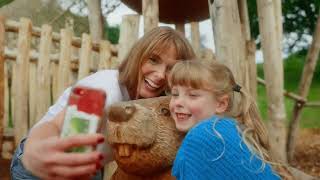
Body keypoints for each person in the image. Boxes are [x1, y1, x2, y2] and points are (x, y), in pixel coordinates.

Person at [10, 26, 196, 180]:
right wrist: (35, 148)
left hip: (88, 167)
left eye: (171, 68)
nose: (161, 74)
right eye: (153, 60)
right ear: (138, 56)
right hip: (42, 166)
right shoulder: (107, 89)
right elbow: (56, 126)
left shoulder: (160, 104)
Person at [168, 60, 292, 179]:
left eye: (192, 95)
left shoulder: (204, 134)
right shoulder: (231, 129)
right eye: (175, 94)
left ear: (221, 104)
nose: (178, 102)